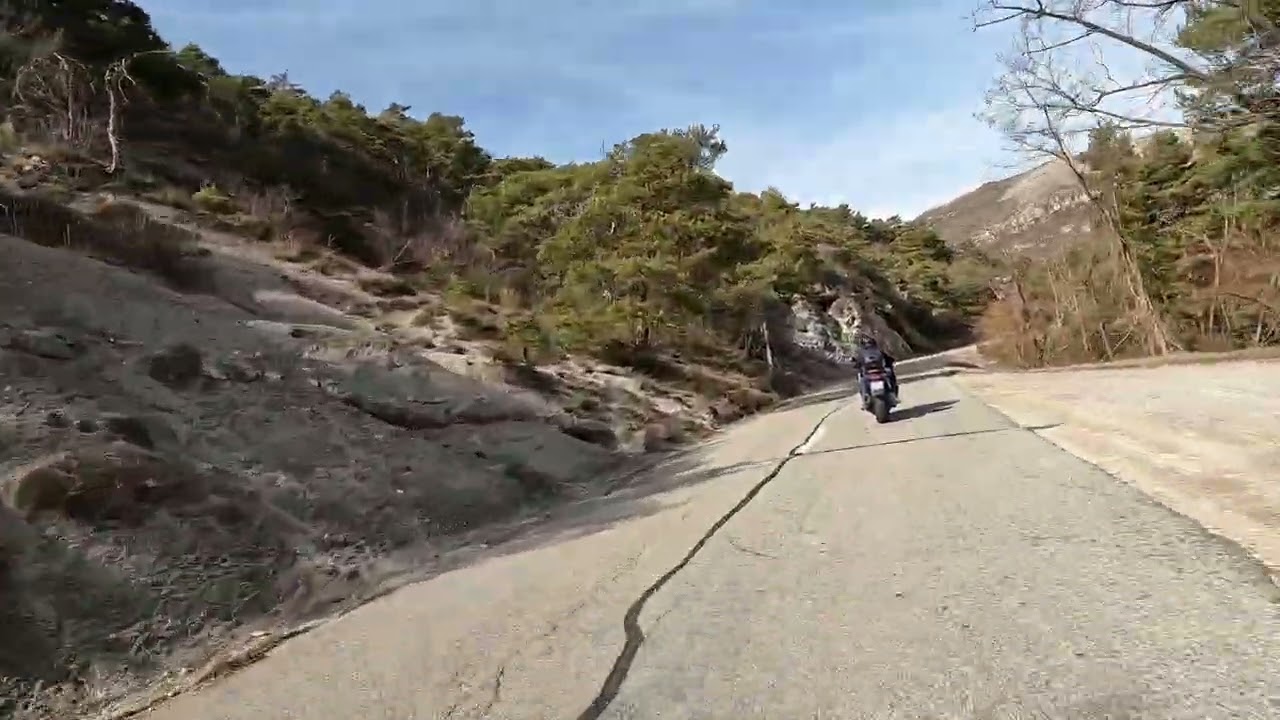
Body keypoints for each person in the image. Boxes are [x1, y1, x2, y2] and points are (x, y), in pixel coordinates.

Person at [854, 333, 898, 407]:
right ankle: (893, 394)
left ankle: (865, 398)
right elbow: (889, 359)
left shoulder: (862, 353)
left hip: (869, 375)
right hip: (881, 373)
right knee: (890, 375)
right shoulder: (879, 351)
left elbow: (857, 364)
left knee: (861, 380)